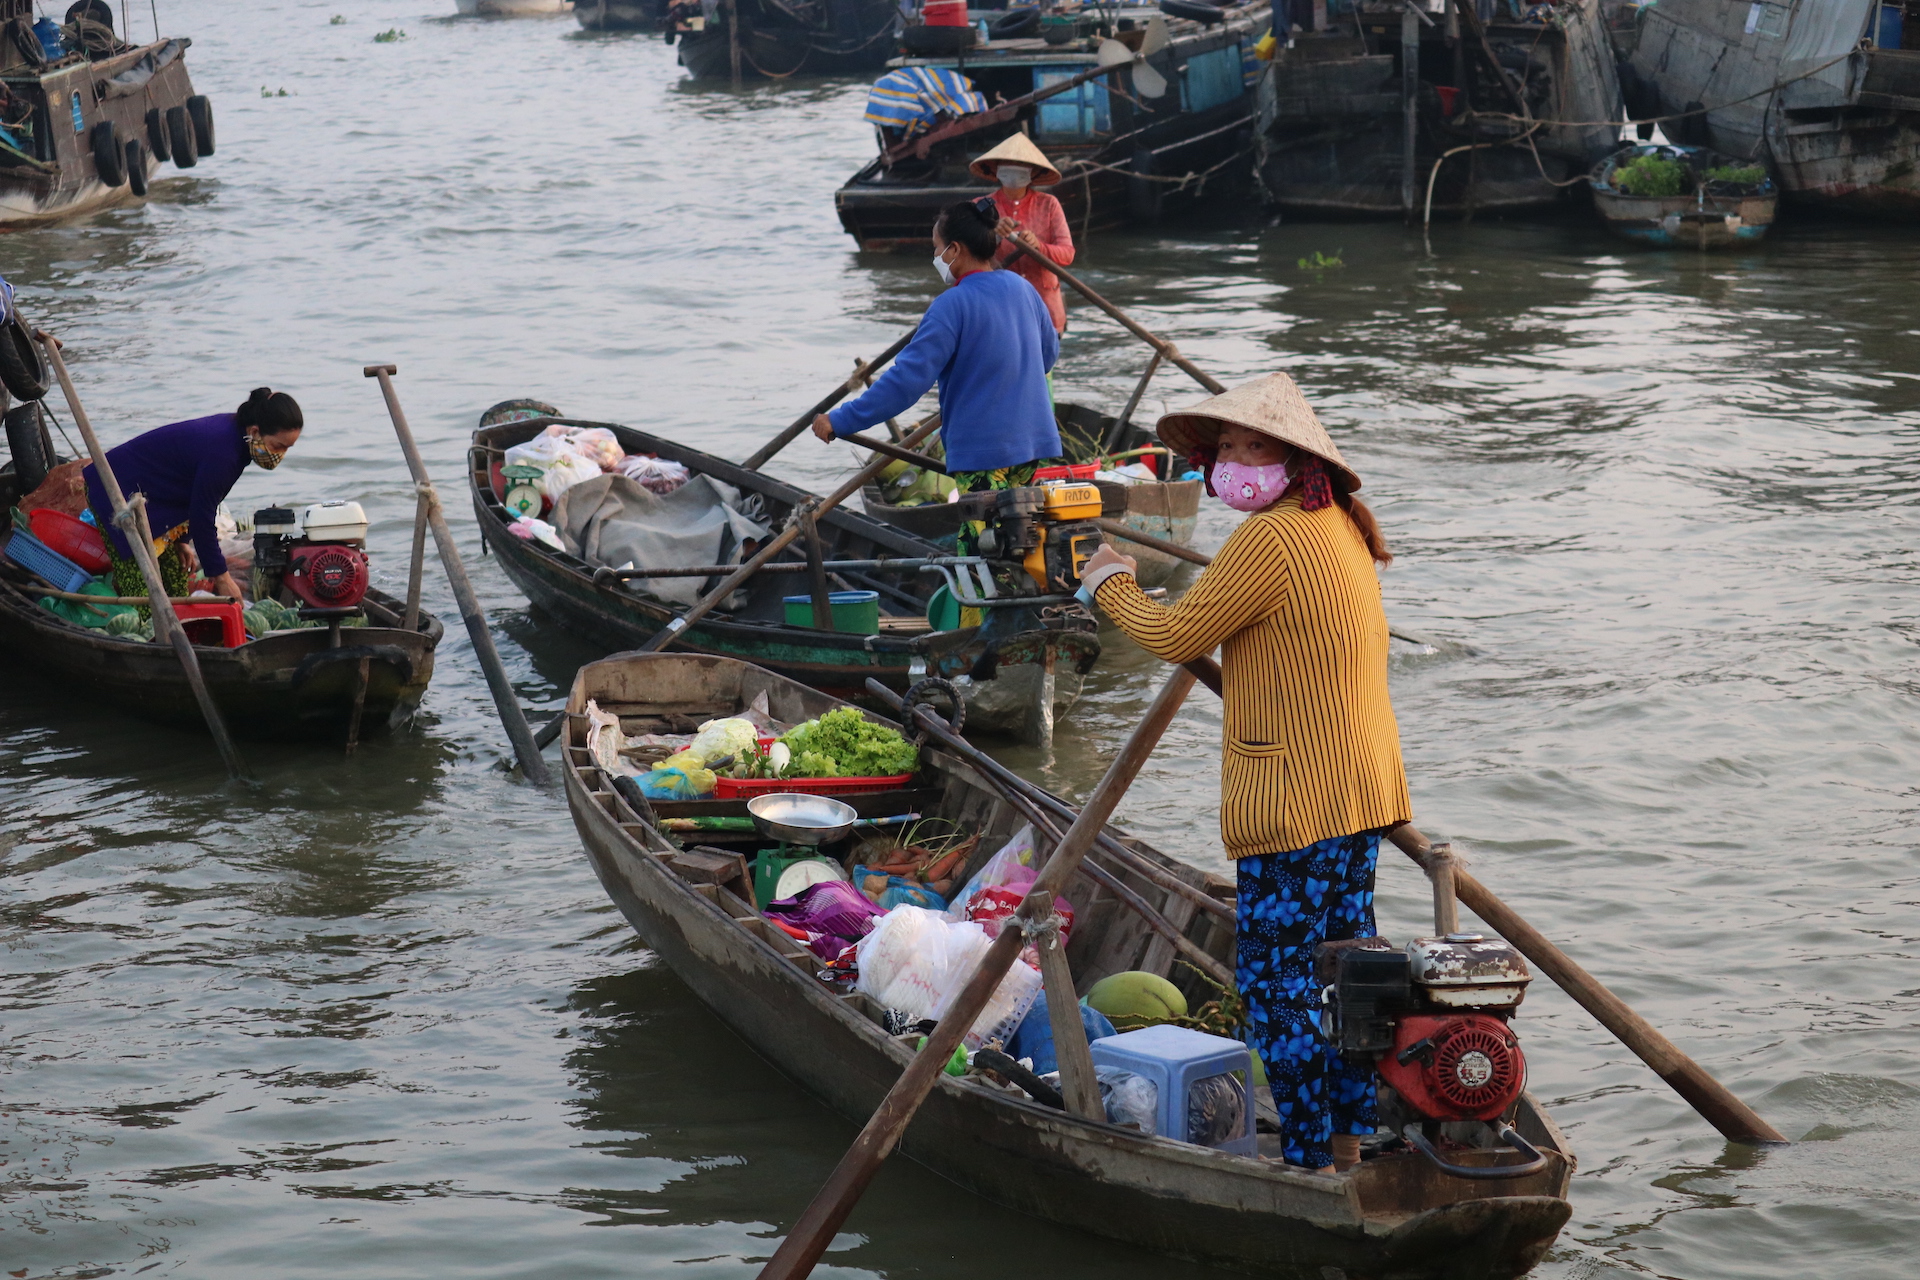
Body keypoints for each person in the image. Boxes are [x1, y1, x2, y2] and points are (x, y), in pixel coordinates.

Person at [1075, 373, 1410, 1174]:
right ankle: (1346, 1145)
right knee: (1346, 979)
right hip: (1359, 792)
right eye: (1220, 448)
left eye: (1242, 447)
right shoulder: (1337, 526)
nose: (1228, 461)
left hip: (1298, 805)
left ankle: (1305, 1164)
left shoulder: (1273, 538)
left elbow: (1173, 629)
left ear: (1290, 458)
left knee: (1280, 988)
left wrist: (1107, 580)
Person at [813, 196, 1063, 497]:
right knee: (1018, 529)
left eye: (937, 247)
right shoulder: (1022, 287)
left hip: (983, 451)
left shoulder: (951, 305)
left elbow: (905, 384)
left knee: (981, 537)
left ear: (955, 249)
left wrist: (840, 419)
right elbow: (1047, 356)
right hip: (1033, 443)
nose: (935, 255)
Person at [84, 388, 304, 606]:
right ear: (255, 432)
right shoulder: (224, 455)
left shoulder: (238, 437)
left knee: (176, 584)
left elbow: (194, 493)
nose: (280, 455)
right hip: (116, 491)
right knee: (144, 595)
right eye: (278, 446)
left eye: (287, 449)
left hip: (156, 497)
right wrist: (222, 578)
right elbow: (203, 519)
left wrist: (181, 540)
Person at [969, 134, 1075, 335]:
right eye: (1007, 165)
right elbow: (965, 258)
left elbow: (1067, 254)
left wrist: (1039, 246)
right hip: (998, 308)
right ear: (996, 169)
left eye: (1020, 166)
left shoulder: (1049, 204)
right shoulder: (980, 207)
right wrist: (994, 236)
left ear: (1032, 173)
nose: (1013, 171)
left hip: (1045, 311)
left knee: (1042, 366)